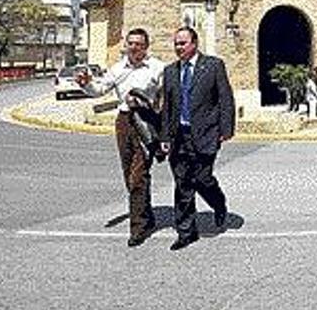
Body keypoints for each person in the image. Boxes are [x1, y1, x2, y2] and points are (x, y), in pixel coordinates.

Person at [75, 28, 165, 247]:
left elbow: (166, 97)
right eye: (131, 43)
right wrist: (86, 83)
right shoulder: (118, 68)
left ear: (146, 46)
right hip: (124, 122)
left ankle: (138, 228)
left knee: (138, 175)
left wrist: (155, 112)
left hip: (146, 122)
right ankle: (147, 215)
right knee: (130, 175)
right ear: (126, 45)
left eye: (139, 44)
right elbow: (100, 89)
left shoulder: (158, 68)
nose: (134, 48)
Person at [159, 27, 235, 251]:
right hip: (179, 136)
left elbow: (225, 98)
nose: (178, 48)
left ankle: (218, 204)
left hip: (206, 133)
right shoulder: (170, 71)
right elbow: (167, 107)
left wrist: (226, 128)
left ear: (195, 43)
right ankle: (186, 232)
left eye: (182, 43)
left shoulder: (213, 66)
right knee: (182, 184)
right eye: (176, 44)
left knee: (203, 179)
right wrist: (165, 136)